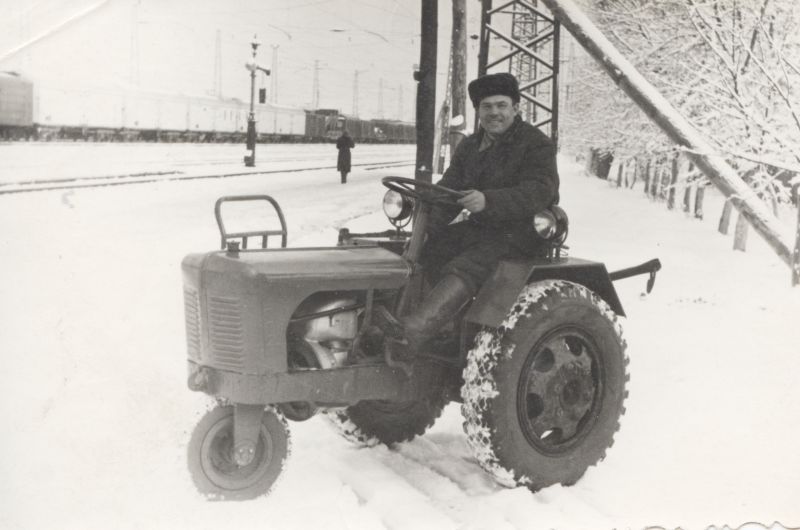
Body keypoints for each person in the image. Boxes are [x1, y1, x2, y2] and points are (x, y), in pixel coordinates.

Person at [378, 72, 560, 363]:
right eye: (487, 106)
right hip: (482, 228)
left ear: (516, 108)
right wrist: (427, 228)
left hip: (522, 233)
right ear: (478, 111)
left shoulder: (536, 144)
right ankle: (431, 325)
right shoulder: (470, 146)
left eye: (501, 105)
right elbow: (449, 190)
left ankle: (414, 332)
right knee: (430, 249)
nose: (494, 112)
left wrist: (488, 201)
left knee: (469, 263)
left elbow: (539, 191)